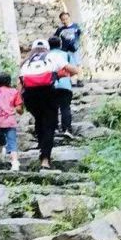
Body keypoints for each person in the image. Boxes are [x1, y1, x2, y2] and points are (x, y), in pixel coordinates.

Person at [20, 38, 80, 170]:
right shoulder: (53, 56)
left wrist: (20, 101)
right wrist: (58, 74)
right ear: (47, 48)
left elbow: (21, 83)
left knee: (39, 120)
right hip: (47, 93)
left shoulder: (26, 61)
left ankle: (42, 146)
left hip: (29, 96)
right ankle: (45, 159)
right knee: (49, 125)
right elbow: (74, 70)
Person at [48, 35, 75, 139]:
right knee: (65, 107)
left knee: (52, 108)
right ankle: (67, 129)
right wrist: (67, 77)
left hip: (49, 85)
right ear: (60, 44)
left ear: (48, 45)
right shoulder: (66, 55)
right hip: (65, 85)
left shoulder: (45, 56)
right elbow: (73, 70)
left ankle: (54, 128)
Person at [53, 11, 83, 84]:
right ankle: (71, 80)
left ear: (69, 18)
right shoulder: (60, 29)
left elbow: (81, 36)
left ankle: (80, 80)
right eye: (63, 19)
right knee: (68, 65)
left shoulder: (76, 26)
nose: (65, 21)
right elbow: (55, 38)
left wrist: (80, 45)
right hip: (65, 50)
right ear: (61, 20)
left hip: (75, 49)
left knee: (78, 64)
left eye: (66, 19)